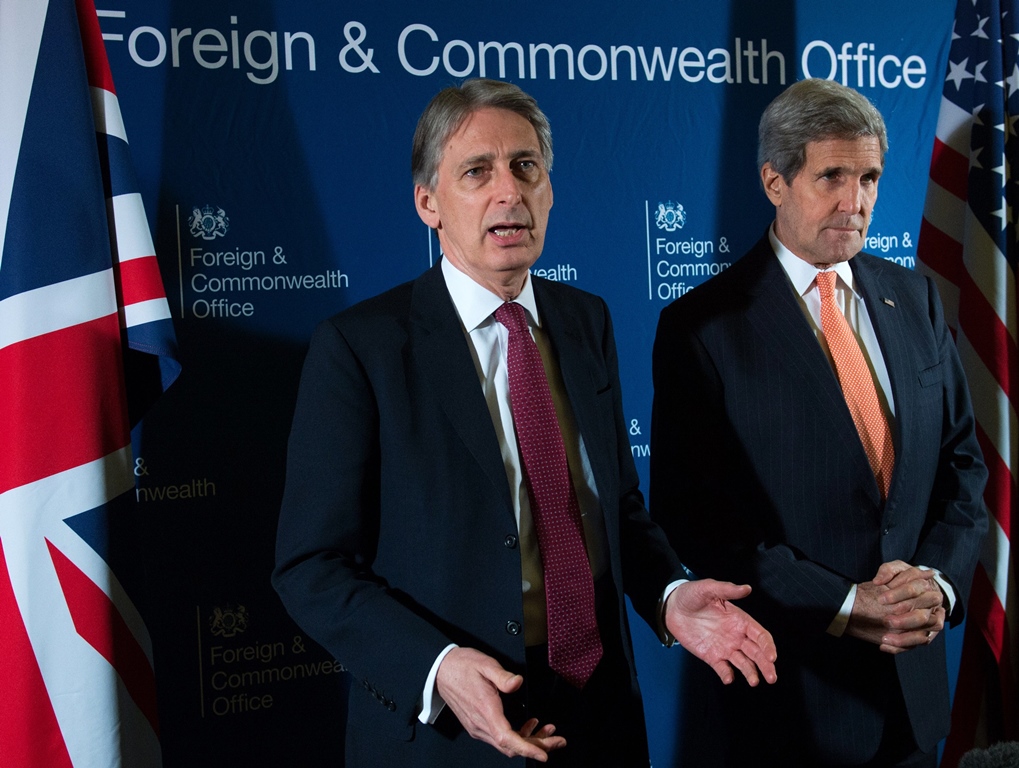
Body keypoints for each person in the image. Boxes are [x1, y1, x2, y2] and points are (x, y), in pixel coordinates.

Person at [272, 78, 777, 768]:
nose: (507, 190)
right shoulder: (362, 348)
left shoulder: (584, 320)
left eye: (524, 167)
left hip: (600, 717)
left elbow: (615, 507)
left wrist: (666, 595)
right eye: (476, 171)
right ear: (428, 203)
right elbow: (311, 567)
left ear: (548, 189)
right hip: (450, 733)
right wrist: (439, 667)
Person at [650, 77, 988, 767]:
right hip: (791, 701)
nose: (855, 201)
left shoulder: (914, 297)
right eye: (831, 175)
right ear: (774, 180)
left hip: (912, 701)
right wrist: (844, 603)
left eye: (867, 177)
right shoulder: (702, 328)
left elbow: (963, 465)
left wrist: (937, 585)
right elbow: (698, 520)